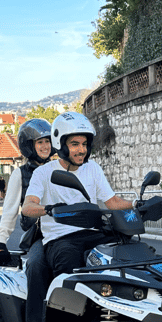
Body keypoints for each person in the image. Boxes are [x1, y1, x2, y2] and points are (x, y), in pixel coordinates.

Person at [21, 111, 133, 277]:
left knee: (127, 251)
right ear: (61, 144)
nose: (82, 150)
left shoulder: (93, 168)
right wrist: (50, 209)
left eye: (84, 144)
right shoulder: (43, 173)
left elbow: (113, 202)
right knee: (68, 261)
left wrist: (138, 204)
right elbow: (27, 207)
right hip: (60, 239)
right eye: (75, 144)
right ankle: (60, 303)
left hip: (93, 233)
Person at [0, 118, 55, 322]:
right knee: (36, 266)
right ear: (29, 146)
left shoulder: (60, 167)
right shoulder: (20, 174)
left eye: (47, 141)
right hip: (39, 234)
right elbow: (9, 210)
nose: (45, 146)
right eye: (40, 142)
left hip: (67, 229)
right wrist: (0, 242)